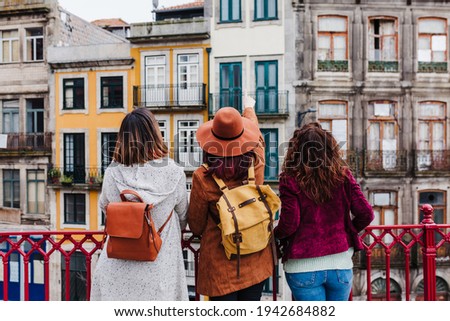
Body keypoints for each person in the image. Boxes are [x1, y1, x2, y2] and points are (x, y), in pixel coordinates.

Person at [91, 108, 189, 301]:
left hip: (115, 272)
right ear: (155, 134)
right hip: (158, 271)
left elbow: (105, 207)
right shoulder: (174, 173)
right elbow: (184, 215)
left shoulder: (113, 172)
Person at [274, 122, 374, 301]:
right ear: (330, 149)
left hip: (302, 266)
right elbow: (366, 213)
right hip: (340, 264)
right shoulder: (343, 176)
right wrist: (347, 231)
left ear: (295, 151)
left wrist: (276, 235)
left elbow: (290, 223)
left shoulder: (289, 179)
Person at [187, 96, 273, 301]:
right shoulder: (256, 162)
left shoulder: (202, 177)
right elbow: (257, 137)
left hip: (221, 267)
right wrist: (249, 108)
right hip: (255, 260)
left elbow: (196, 226)